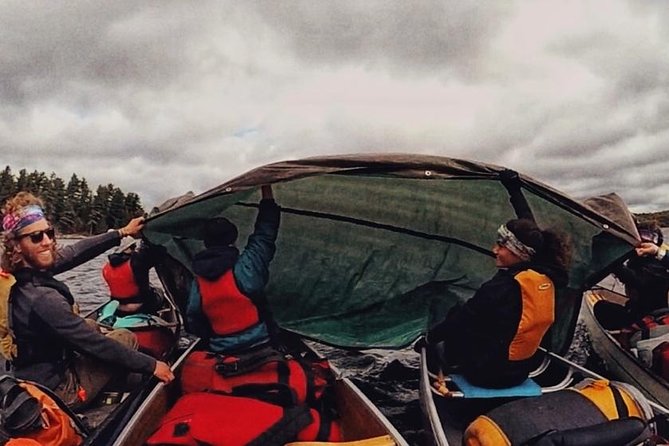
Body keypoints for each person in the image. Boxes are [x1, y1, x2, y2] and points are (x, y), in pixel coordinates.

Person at [1, 191, 174, 410]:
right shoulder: (43, 299)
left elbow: (75, 252)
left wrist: (122, 232)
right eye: (36, 237)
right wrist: (152, 366)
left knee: (91, 324)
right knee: (124, 337)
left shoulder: (24, 268)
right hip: (60, 391)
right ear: (16, 245)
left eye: (49, 233)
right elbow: (96, 345)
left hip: (34, 370)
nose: (47, 242)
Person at [418, 170, 571, 388]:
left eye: (502, 245)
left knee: (453, 317)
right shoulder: (550, 272)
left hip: (486, 377)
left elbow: (460, 320)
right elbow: (531, 227)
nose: (494, 250)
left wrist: (428, 340)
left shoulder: (500, 288)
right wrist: (514, 188)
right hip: (521, 371)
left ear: (520, 252)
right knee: (487, 324)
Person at [186, 185, 280, 353]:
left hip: (221, 349)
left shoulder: (198, 282)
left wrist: (214, 338)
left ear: (206, 243)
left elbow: (193, 317)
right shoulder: (247, 266)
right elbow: (265, 234)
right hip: (261, 342)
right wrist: (267, 192)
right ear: (234, 239)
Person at [594, 222, 669, 330]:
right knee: (604, 307)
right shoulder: (634, 258)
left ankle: (628, 334)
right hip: (635, 309)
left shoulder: (657, 265)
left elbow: (638, 281)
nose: (644, 241)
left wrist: (612, 262)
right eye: (640, 237)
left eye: (649, 237)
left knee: (601, 308)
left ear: (657, 242)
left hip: (653, 315)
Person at [100, 236, 164, 319]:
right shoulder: (137, 262)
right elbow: (154, 257)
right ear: (125, 249)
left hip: (118, 307)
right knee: (159, 291)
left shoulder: (105, 268)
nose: (135, 249)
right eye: (133, 246)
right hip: (138, 306)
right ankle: (154, 318)